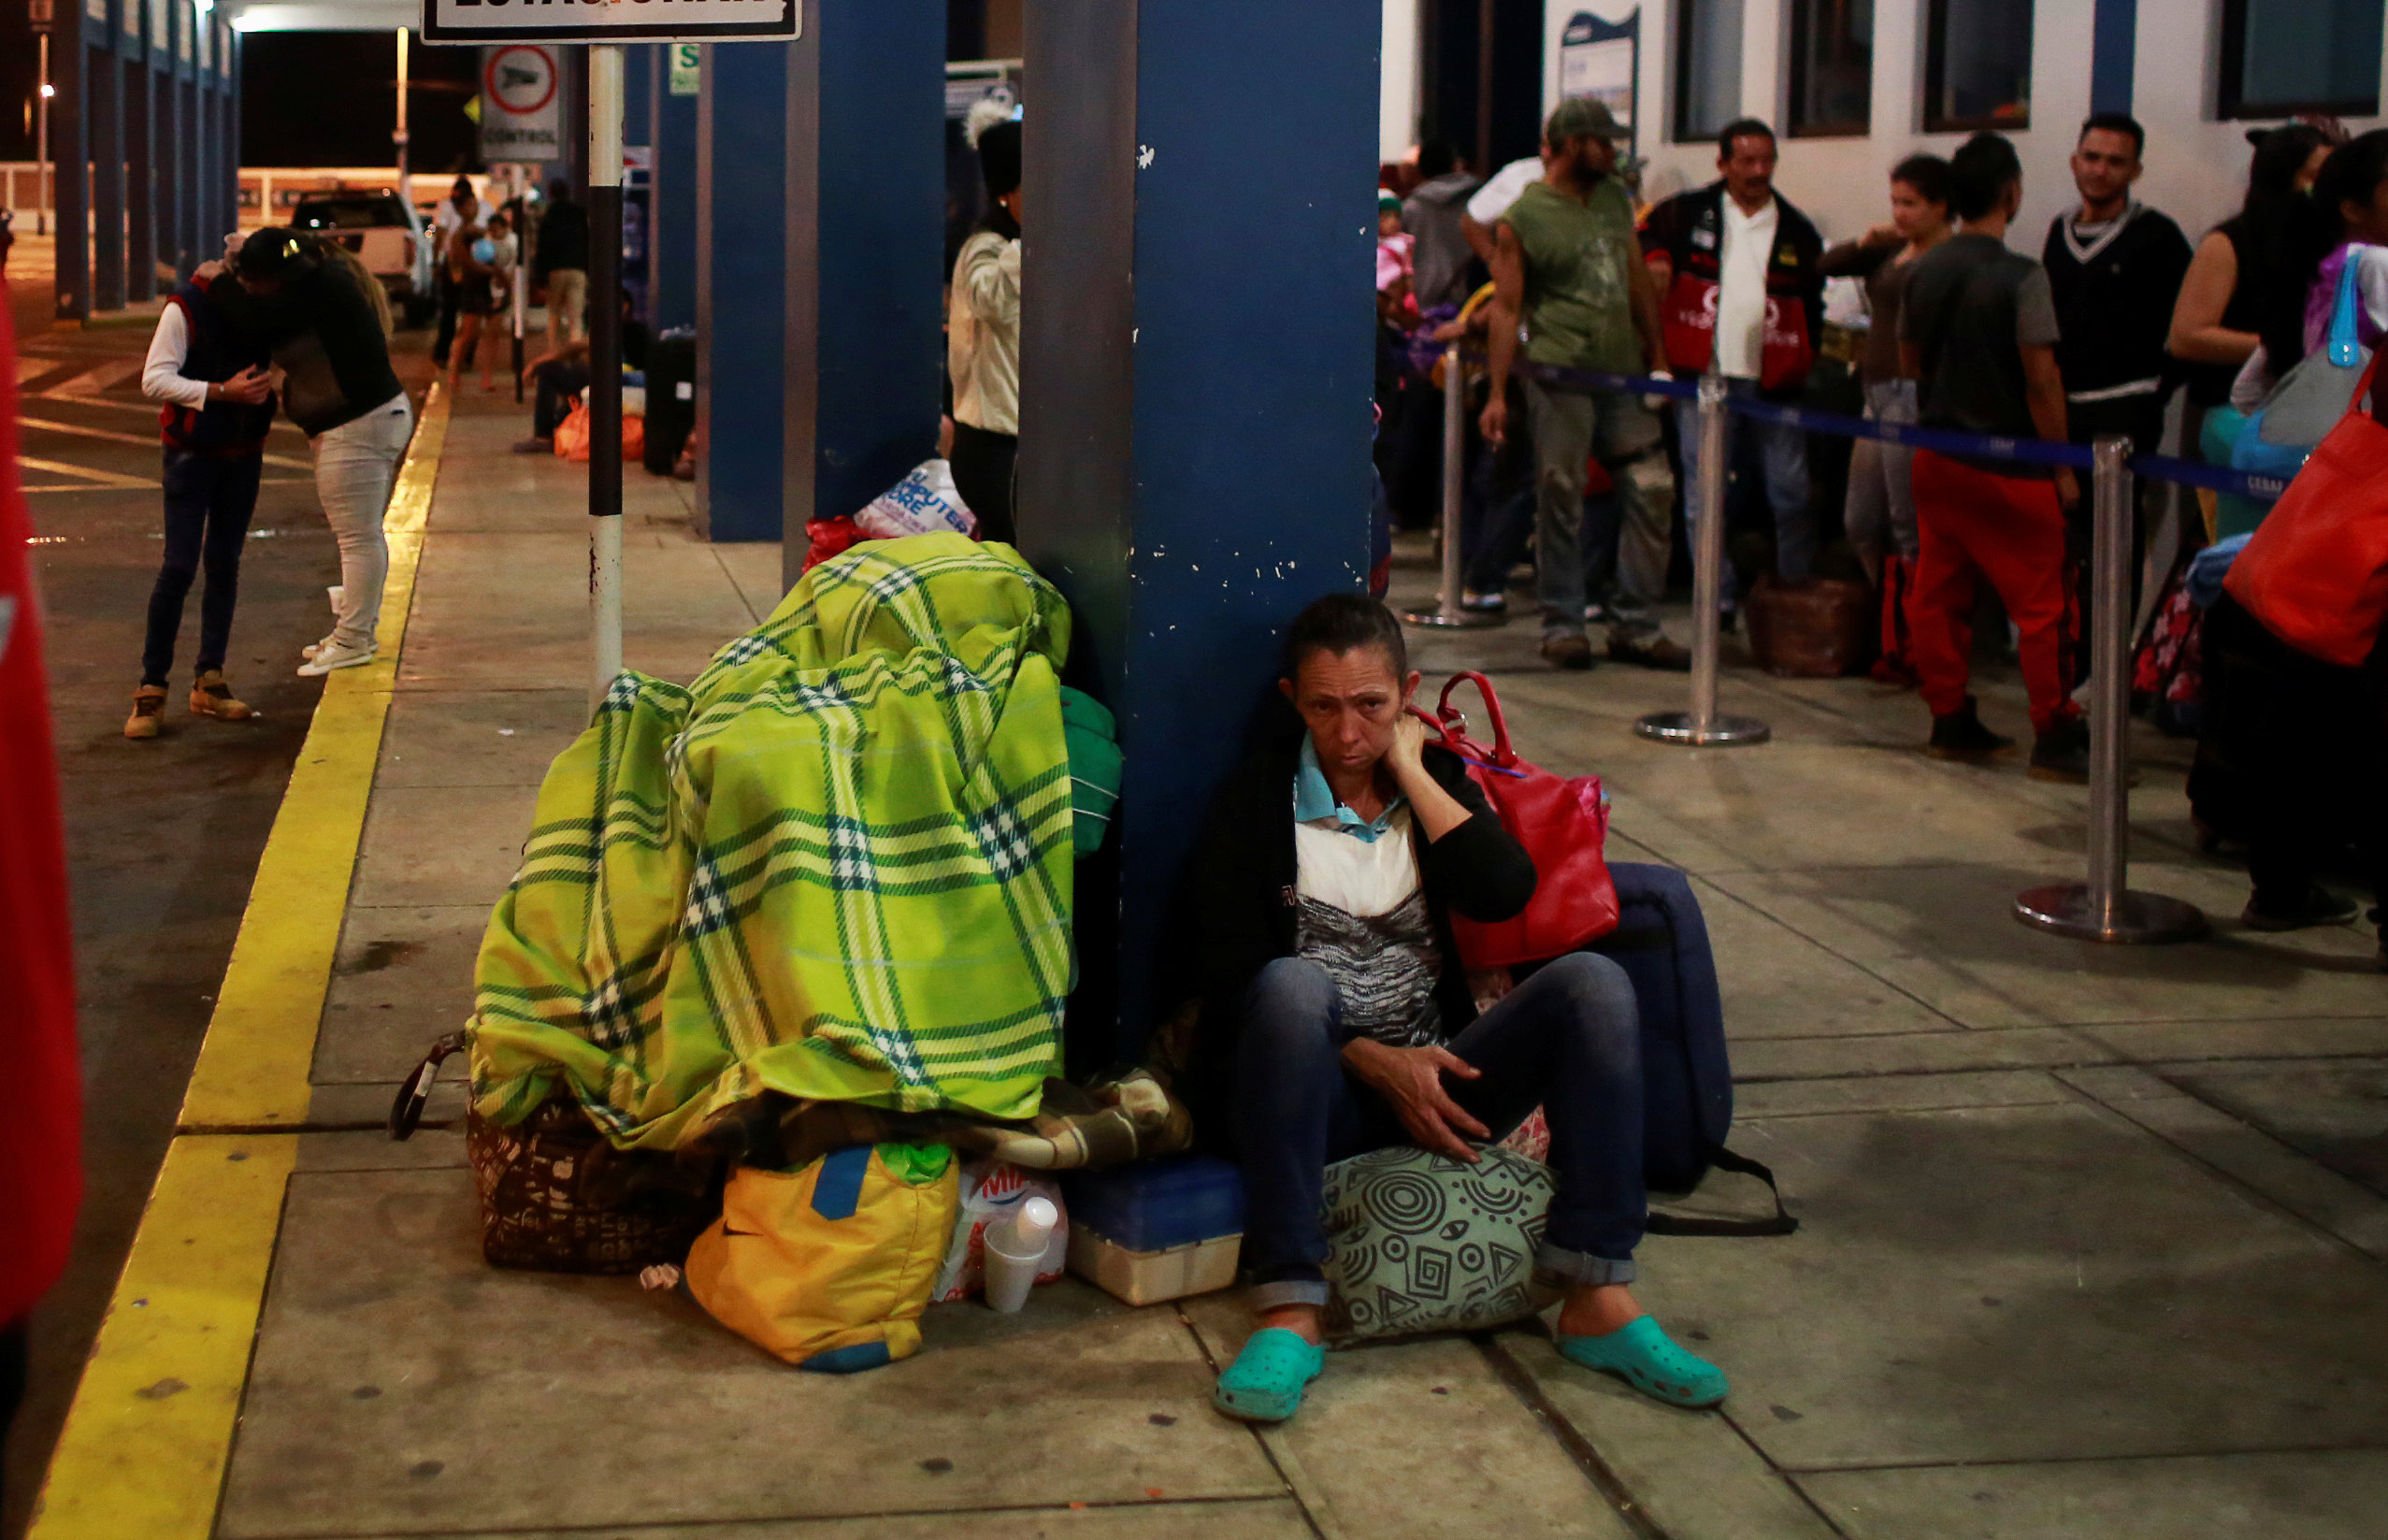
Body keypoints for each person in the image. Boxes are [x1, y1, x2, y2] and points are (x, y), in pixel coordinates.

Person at [1184, 594, 1729, 1425]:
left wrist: (1410, 770)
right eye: (1325, 708)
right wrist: (1372, 1059)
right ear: (1295, 699)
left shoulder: (1430, 778)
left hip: (1445, 1082)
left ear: (1408, 694)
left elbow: (1505, 889)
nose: (1349, 733)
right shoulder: (1256, 801)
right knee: (1294, 987)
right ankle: (1292, 1308)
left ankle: (1597, 1292)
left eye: (1372, 706)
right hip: (1321, 1095)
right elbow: (1225, 975)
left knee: (1593, 985)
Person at [1897, 133, 2087, 779]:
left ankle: (1949, 716)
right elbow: (2042, 379)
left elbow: (1908, 360)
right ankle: (2056, 733)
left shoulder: (1922, 269)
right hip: (2012, 466)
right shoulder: (2024, 277)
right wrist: (2063, 466)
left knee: (1938, 593)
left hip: (1937, 455)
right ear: (2012, 194)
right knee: (2044, 606)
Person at [1481, 98, 1683, 671]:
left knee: (1652, 487)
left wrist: (1659, 358)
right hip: (1558, 372)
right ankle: (1564, 623)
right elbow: (1506, 306)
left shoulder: (1615, 204)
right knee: (1561, 493)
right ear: (1572, 145)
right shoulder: (1523, 218)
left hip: (1620, 373)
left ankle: (1635, 623)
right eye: (1602, 141)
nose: (1612, 151)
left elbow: (1637, 280)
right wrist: (1498, 394)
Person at [1642, 119, 1826, 599]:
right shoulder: (1686, 213)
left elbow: (1813, 305)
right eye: (1746, 160)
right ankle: (1714, 598)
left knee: (1792, 493)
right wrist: (1658, 261)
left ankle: (1793, 595)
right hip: (1704, 378)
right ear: (1722, 163)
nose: (1758, 170)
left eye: (1766, 160)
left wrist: (1807, 361)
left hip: (1775, 383)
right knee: (1704, 498)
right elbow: (1642, 237)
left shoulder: (1797, 230)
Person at [2041, 113, 2193, 669]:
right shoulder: (2057, 235)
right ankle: (2061, 662)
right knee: (2062, 547)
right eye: (2092, 157)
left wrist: (2150, 395)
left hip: (2124, 418)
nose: (2100, 170)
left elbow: (2183, 329)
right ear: (2075, 160)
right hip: (2060, 418)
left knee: (2114, 551)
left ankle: (2104, 674)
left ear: (2136, 170)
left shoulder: (2158, 238)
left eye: (2115, 161)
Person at [229, 227, 413, 677]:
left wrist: (217, 278)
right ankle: (353, 632)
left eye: (255, 279)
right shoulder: (322, 279)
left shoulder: (317, 289)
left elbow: (247, 317)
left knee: (359, 539)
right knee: (359, 537)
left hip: (358, 427)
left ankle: (354, 639)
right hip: (360, 424)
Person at [125, 261, 281, 738]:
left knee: (224, 562)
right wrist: (222, 392)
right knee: (179, 566)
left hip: (243, 454)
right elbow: (154, 379)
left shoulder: (263, 309)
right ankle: (151, 690)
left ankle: (209, 679)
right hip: (191, 455)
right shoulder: (186, 309)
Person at [1818, 154, 1951, 669]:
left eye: (1910, 204)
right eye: (1895, 201)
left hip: (1910, 394)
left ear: (1941, 207)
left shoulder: (1946, 257)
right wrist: (1868, 241)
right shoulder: (1892, 249)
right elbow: (1825, 268)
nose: (1899, 213)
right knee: (1860, 518)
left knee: (1906, 521)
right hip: (1874, 393)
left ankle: (1918, 639)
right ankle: (1893, 621)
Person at [2170, 123, 2335, 540]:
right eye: (2317, 176)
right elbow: (2186, 335)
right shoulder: (2229, 242)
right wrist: (2281, 348)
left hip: (2295, 425)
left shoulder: (2326, 246)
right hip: (2226, 418)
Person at [949, 113, 1023, 544]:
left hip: (1023, 443)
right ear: (1004, 193)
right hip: (992, 448)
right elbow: (990, 299)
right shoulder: (986, 249)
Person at [512, 290, 654, 454]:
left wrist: (537, 362)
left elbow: (577, 347)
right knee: (570, 392)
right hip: (626, 381)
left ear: (624, 307)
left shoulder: (622, 328)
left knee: (549, 371)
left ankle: (543, 438)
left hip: (623, 381)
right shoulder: (637, 330)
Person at [1403, 141, 1482, 311]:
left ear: (1420, 171)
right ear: (1455, 166)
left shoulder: (1411, 209)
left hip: (1422, 306)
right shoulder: (1480, 201)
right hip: (1473, 303)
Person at [430, 176, 494, 368]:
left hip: (471, 271)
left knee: (465, 316)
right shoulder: (455, 213)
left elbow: (441, 236)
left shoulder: (475, 211)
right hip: (461, 270)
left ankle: (458, 358)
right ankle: (453, 357)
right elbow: (444, 238)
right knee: (456, 314)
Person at [445, 220, 502, 395]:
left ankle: (485, 378)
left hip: (486, 289)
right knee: (469, 333)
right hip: (474, 289)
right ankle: (455, 375)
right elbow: (458, 265)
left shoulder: (487, 244)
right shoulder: (463, 244)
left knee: (490, 335)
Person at [533, 179, 590, 352]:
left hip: (555, 271)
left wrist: (539, 279)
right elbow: (588, 241)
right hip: (577, 269)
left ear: (550, 193)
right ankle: (576, 354)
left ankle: (554, 354)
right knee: (576, 318)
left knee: (554, 315)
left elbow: (542, 249)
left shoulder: (549, 215)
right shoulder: (579, 213)